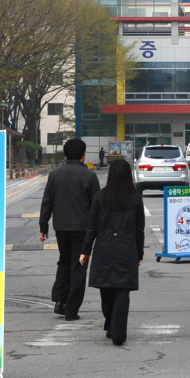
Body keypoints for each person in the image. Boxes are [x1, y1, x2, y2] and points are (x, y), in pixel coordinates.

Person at [79, 159, 145, 346]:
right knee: (123, 291)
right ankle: (117, 331)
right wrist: (139, 253)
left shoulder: (101, 197)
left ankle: (111, 324)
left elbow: (92, 227)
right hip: (126, 249)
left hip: (104, 249)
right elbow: (139, 229)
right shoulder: (135, 198)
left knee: (106, 289)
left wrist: (85, 251)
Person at [39, 138, 100, 320]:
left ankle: (60, 301)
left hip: (61, 227)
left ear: (65, 154)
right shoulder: (89, 176)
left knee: (64, 261)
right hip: (82, 228)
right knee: (78, 266)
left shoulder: (55, 174)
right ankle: (71, 310)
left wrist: (43, 226)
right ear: (83, 155)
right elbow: (97, 205)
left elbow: (47, 201)